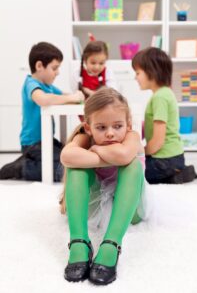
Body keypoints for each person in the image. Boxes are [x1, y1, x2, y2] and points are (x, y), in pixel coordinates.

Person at [60, 87, 149, 285]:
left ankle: (112, 243)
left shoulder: (131, 137)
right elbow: (66, 156)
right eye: (101, 128)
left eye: (117, 126)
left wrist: (96, 150)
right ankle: (79, 241)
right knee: (76, 169)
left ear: (128, 124)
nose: (110, 133)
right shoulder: (84, 137)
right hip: (96, 205)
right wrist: (106, 157)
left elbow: (125, 156)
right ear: (89, 127)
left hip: (130, 210)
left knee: (132, 165)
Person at [0, 42, 84, 181]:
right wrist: (72, 97)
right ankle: (22, 168)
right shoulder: (31, 84)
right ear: (39, 66)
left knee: (68, 154)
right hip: (32, 144)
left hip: (46, 140)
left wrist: (76, 96)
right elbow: (43, 99)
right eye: (55, 68)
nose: (58, 72)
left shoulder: (47, 86)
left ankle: (31, 162)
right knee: (62, 170)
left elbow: (63, 96)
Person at [132, 47, 197, 184]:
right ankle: (177, 172)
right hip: (174, 157)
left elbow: (157, 141)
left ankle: (173, 175)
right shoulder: (165, 93)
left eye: (138, 73)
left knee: (133, 172)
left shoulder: (160, 98)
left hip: (165, 159)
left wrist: (139, 153)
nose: (135, 77)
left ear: (151, 72)